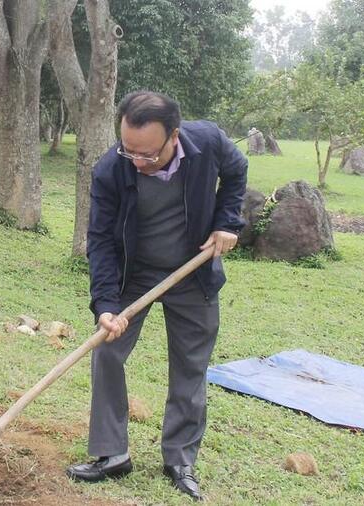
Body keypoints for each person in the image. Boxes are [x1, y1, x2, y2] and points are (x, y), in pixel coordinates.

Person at [67, 91, 247, 501]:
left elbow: (237, 174)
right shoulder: (112, 168)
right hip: (136, 271)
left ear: (175, 137)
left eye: (148, 154)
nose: (138, 162)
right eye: (129, 151)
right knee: (107, 351)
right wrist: (107, 305)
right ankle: (111, 454)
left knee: (191, 363)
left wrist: (227, 222)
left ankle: (180, 457)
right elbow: (100, 241)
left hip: (192, 269)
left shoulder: (210, 142)